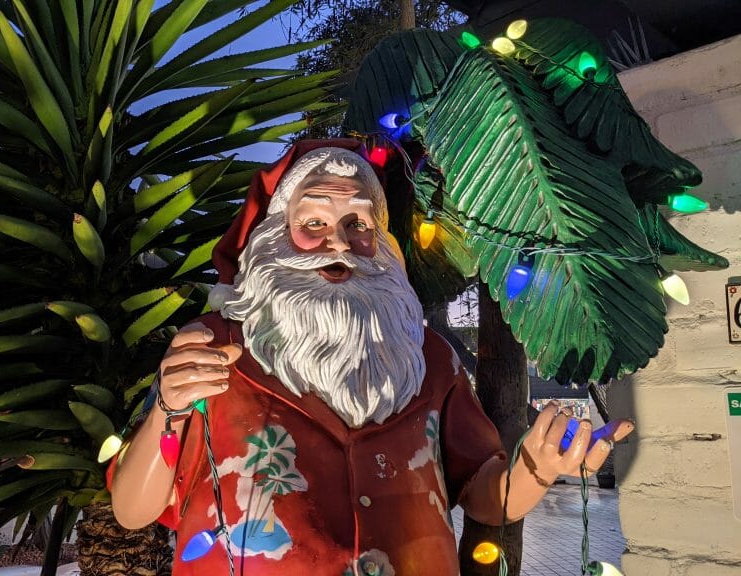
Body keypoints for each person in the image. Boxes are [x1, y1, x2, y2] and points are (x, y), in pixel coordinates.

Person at [109, 139, 633, 576]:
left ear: (381, 242)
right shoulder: (211, 348)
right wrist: (168, 411)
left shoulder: (429, 357)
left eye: (358, 224)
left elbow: (481, 493)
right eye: (312, 222)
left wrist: (536, 469)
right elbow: (133, 511)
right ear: (274, 237)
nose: (337, 240)